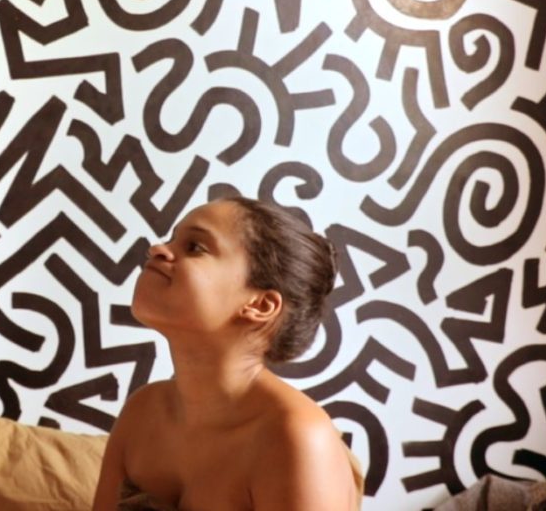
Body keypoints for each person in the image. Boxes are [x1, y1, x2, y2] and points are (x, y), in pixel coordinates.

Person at [91, 196, 361, 510]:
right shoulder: (142, 412)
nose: (157, 249)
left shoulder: (297, 437)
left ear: (260, 305)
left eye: (195, 247)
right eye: (171, 239)